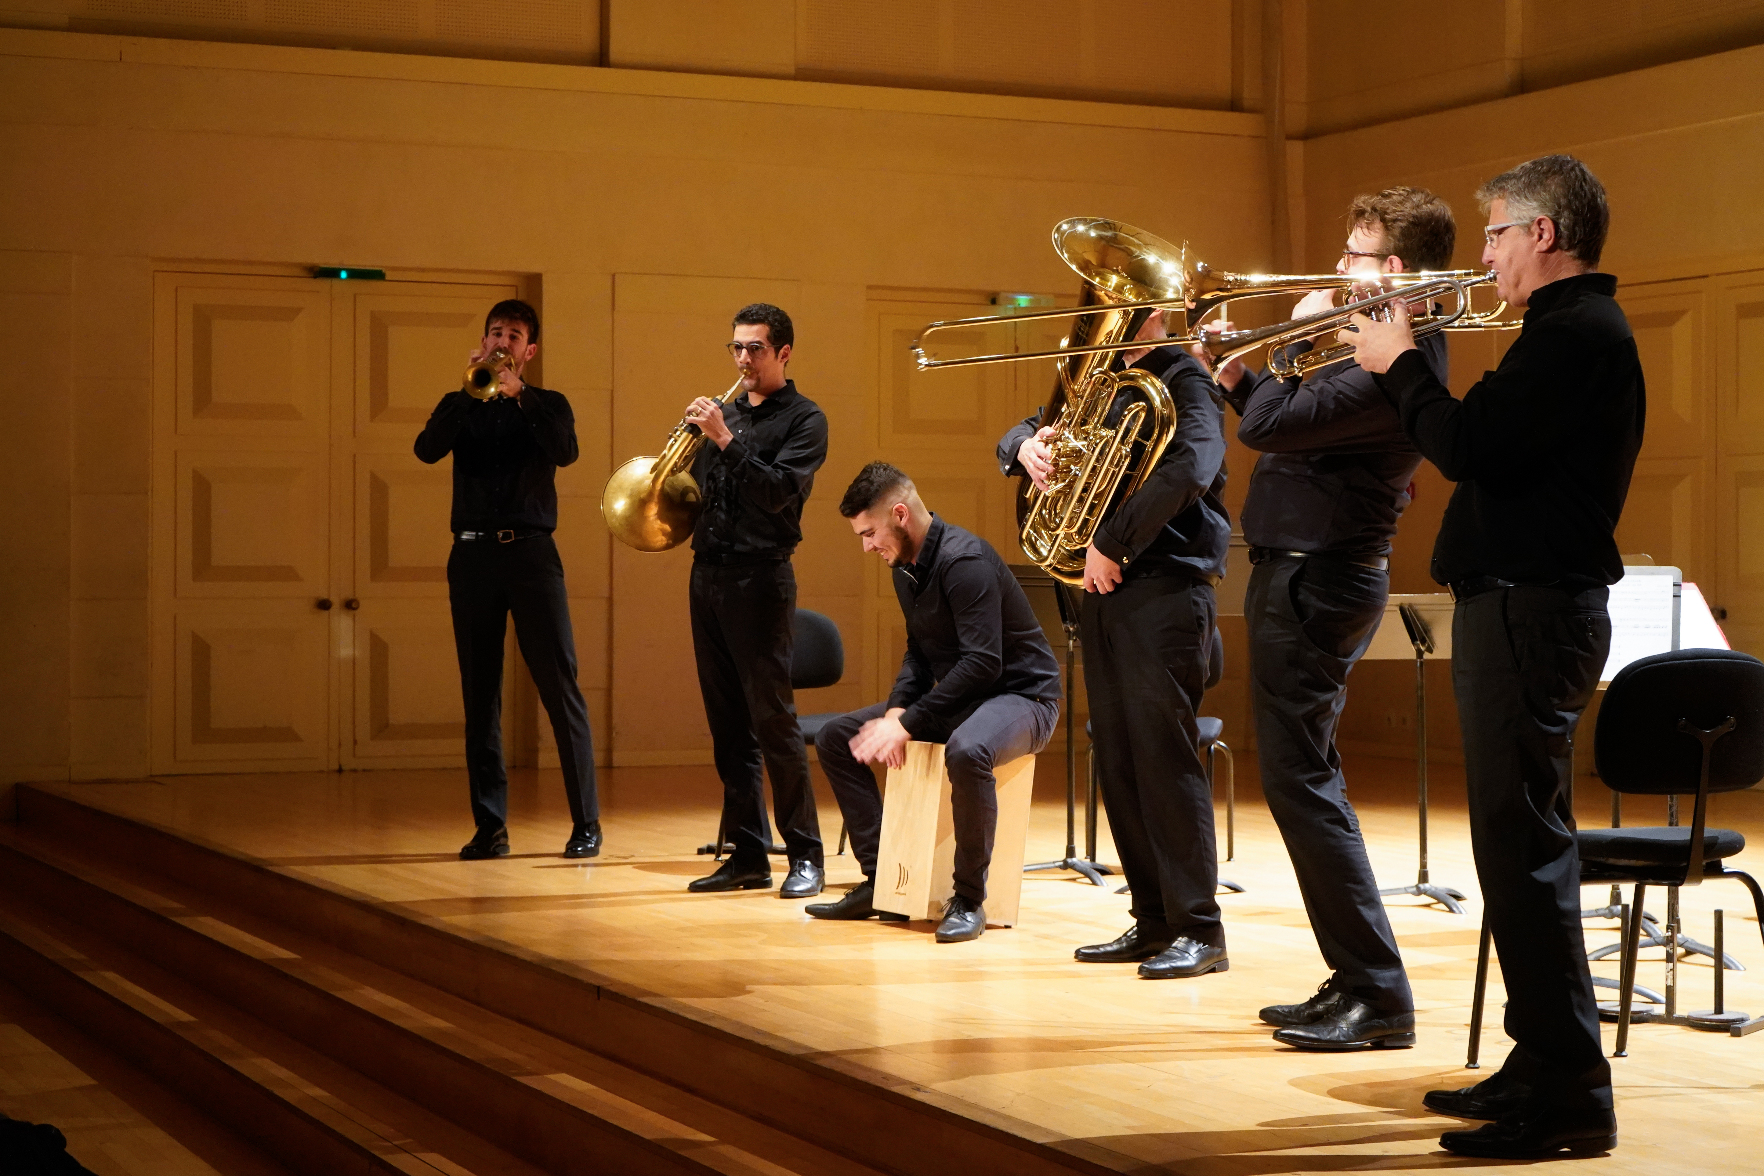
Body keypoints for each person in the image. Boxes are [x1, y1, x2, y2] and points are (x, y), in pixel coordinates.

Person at [1340, 155, 1642, 1160]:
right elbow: (1494, 450)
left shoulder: (1577, 334)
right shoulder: (1561, 332)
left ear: (1543, 234)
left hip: (1530, 612)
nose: (1485, 253)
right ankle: (1540, 1059)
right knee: (1513, 858)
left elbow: (1467, 445)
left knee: (1526, 857)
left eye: (1497, 233)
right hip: (1517, 610)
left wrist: (1400, 362)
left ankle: (1570, 1092)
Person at [1211, 187, 1454, 1049]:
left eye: (1353, 254)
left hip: (1319, 582)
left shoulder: (1398, 361)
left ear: (1395, 268)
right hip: (1304, 575)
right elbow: (1290, 426)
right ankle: (1356, 979)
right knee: (1305, 780)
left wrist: (1286, 341)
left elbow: (1270, 429)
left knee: (1303, 785)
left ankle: (1378, 995)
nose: (1338, 267)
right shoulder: (1377, 349)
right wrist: (1239, 376)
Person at [997, 309, 1232, 978]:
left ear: (1154, 312)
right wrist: (1024, 446)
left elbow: (1191, 467)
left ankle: (1199, 928)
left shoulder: (1186, 380)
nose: (1110, 312)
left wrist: (1114, 540)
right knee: (1119, 752)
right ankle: (1153, 918)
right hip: (1103, 586)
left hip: (1163, 587)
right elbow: (1027, 425)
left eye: (1127, 303)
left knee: (1164, 756)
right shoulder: (1098, 380)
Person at [806, 463, 1062, 942]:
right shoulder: (905, 567)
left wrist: (908, 724)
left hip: (1024, 698)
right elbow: (919, 652)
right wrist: (898, 709)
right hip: (967, 699)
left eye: (870, 533)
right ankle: (882, 881)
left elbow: (983, 663)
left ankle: (968, 899)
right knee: (838, 737)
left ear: (900, 514)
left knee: (969, 750)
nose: (866, 546)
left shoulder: (965, 562)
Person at [414, 299, 600, 860]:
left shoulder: (549, 404)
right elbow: (426, 450)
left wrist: (521, 397)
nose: (502, 342)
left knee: (559, 685)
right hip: (471, 557)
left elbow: (566, 452)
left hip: (531, 555)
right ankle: (489, 827)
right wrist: (466, 392)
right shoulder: (461, 401)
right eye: (495, 333)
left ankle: (586, 824)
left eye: (514, 335)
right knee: (480, 693)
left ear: (529, 350)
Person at [684, 304, 829, 900]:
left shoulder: (805, 419)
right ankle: (746, 854)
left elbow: (776, 493)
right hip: (707, 574)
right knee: (727, 726)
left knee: (773, 721)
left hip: (761, 579)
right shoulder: (728, 414)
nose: (743, 359)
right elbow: (696, 491)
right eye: (737, 347)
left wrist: (722, 438)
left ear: (783, 353)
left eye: (755, 348)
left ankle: (806, 855)